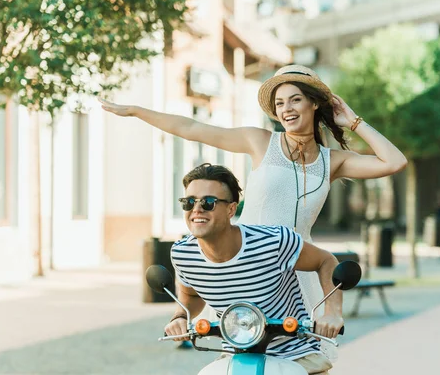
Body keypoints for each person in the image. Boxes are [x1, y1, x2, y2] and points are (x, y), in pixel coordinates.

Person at [99, 64, 407, 357]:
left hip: (300, 269)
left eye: (296, 100)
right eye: (280, 103)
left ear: (315, 104)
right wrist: (136, 111)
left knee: (307, 359)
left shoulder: (333, 161)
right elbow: (191, 127)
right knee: (238, 352)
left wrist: (352, 122)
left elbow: (394, 162)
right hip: (247, 265)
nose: (286, 109)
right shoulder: (261, 142)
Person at [167, 163, 342, 374]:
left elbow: (326, 261)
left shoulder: (274, 242)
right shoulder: (183, 254)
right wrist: (180, 317)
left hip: (295, 355)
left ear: (231, 209)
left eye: (209, 202)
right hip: (236, 356)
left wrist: (332, 314)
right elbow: (191, 295)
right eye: (189, 202)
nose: (197, 209)